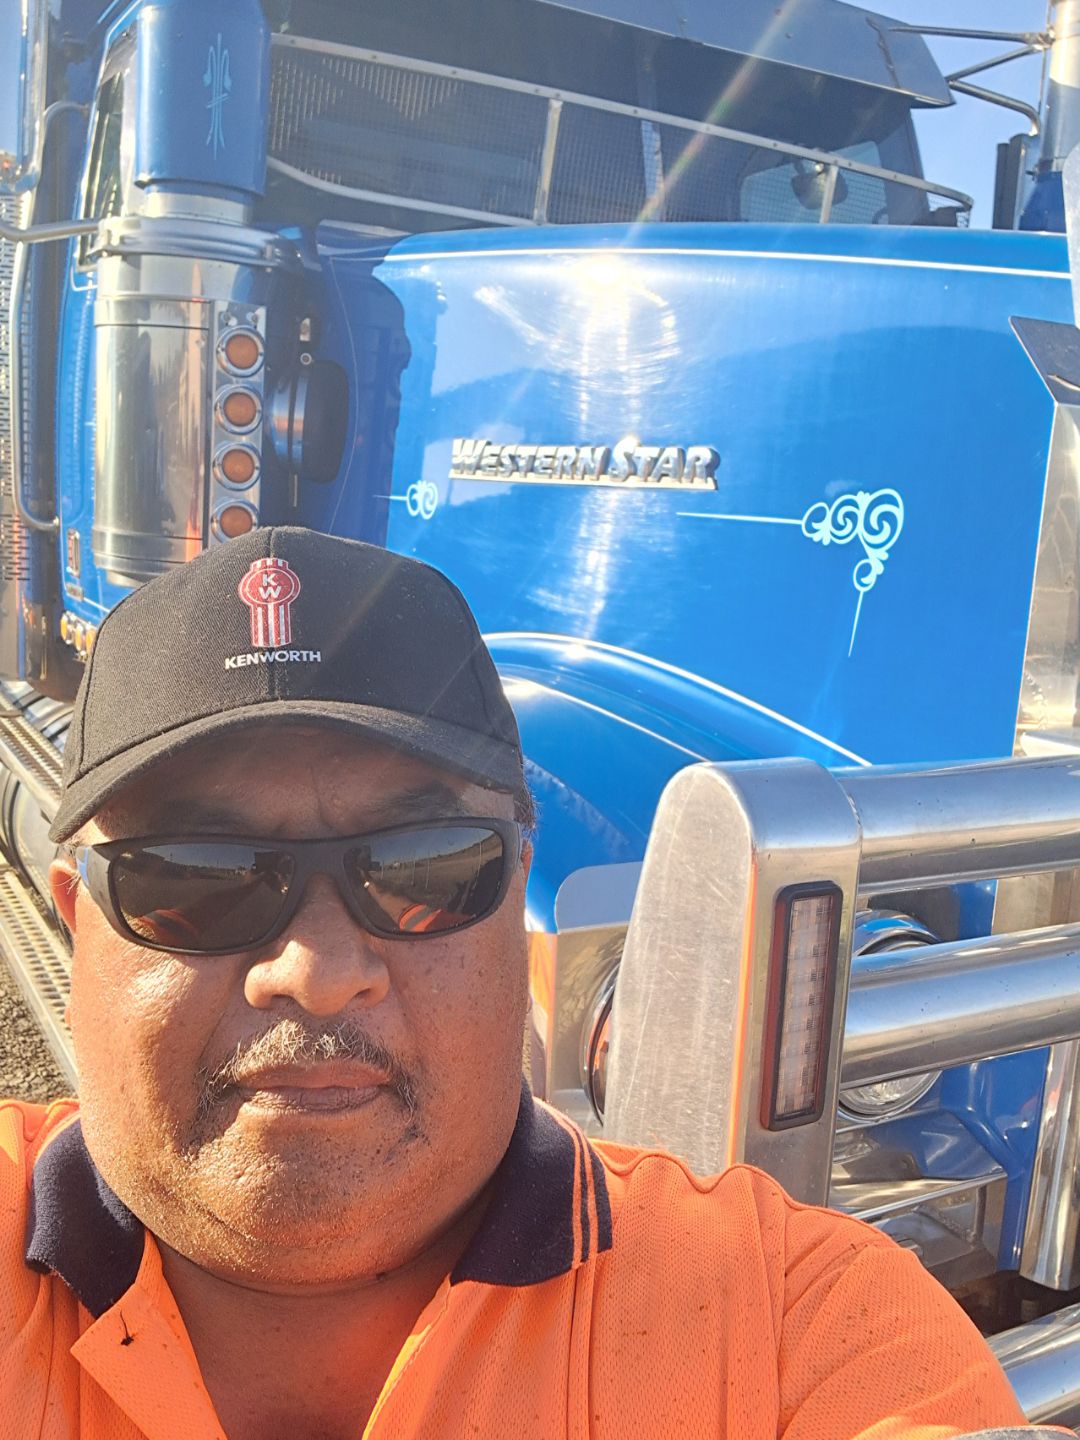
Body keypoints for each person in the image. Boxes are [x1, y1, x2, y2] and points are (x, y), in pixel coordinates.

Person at [0, 527, 1035, 1440]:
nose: (316, 974)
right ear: (73, 917)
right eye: (194, 879)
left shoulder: (792, 1325)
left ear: (516, 898)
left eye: (425, 871)